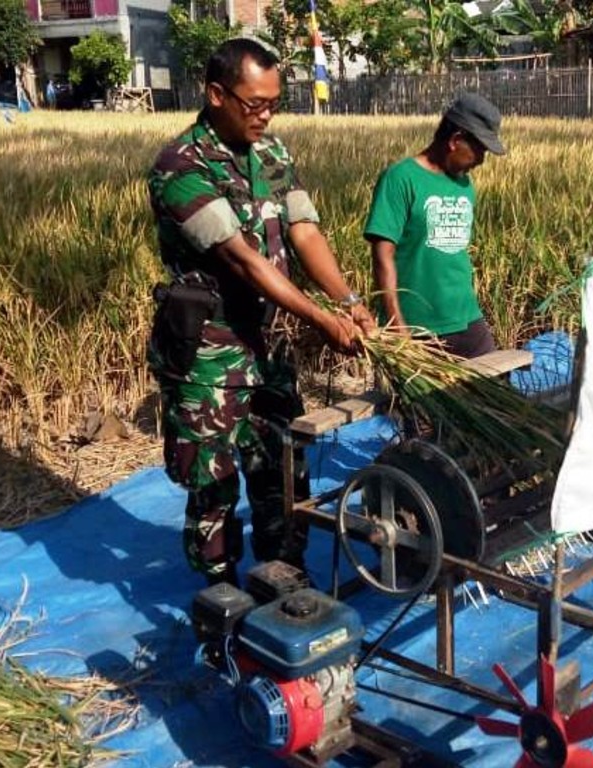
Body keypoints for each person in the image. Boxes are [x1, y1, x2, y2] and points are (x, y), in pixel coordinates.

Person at [147, 37, 374, 588]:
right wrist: (320, 320)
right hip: (210, 352)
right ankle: (221, 600)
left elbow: (304, 230)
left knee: (282, 468)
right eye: (255, 103)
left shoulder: (273, 155)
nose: (266, 114)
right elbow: (243, 262)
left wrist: (348, 302)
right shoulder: (181, 166)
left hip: (269, 348)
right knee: (213, 482)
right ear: (217, 94)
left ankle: (285, 579)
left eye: (275, 102)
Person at [364, 91, 506, 359]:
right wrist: (396, 324)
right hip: (417, 326)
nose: (481, 160)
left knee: (491, 390)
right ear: (455, 140)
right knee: (414, 400)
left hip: (465, 317)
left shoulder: (465, 184)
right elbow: (383, 256)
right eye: (479, 150)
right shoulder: (400, 179)